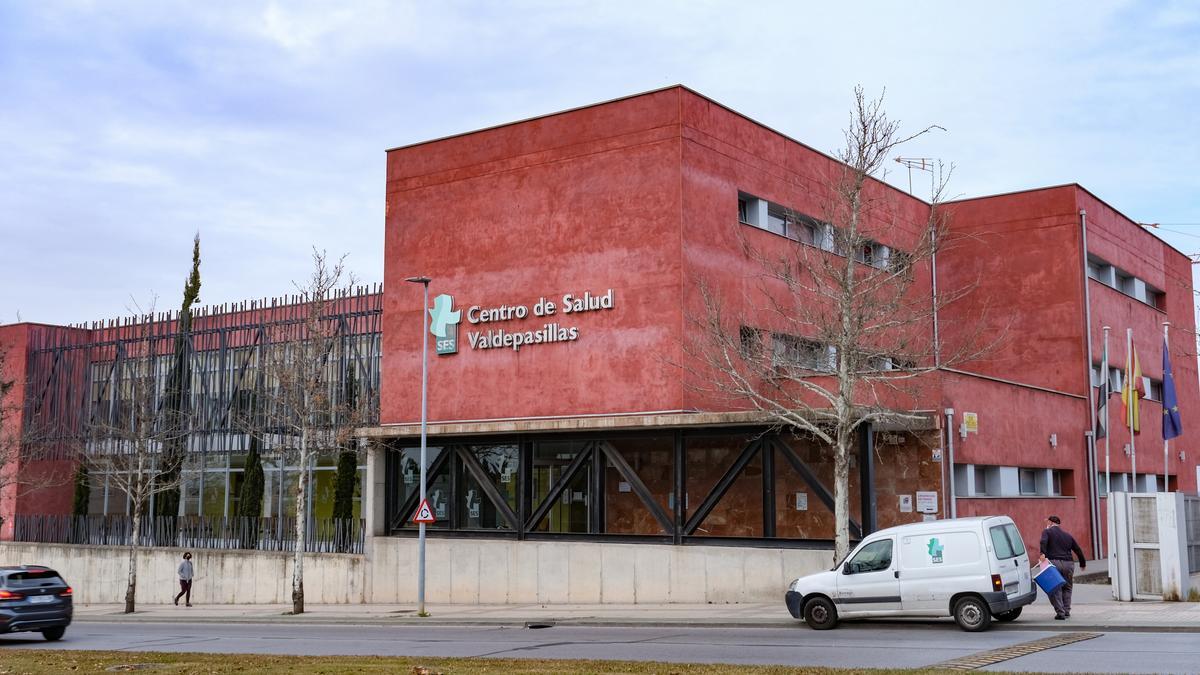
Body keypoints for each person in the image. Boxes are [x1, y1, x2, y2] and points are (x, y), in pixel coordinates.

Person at [1039, 515, 1086, 620]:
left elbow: (1043, 542)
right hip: (1068, 564)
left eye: (1047, 522)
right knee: (1067, 587)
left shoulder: (1047, 532)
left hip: (1054, 563)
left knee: (1056, 588)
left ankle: (1060, 612)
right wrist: (1082, 563)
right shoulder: (1067, 535)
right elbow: (1077, 549)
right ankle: (1067, 611)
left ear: (1050, 523)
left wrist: (1042, 553)